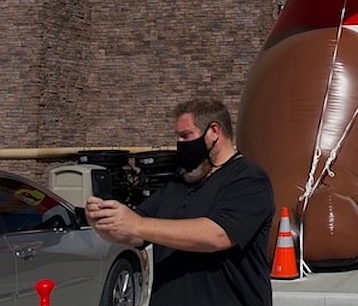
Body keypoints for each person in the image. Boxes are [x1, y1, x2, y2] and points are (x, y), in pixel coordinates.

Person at [85, 98, 275, 305]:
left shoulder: (248, 179)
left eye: (186, 136)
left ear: (214, 132)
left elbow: (217, 235)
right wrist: (105, 221)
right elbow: (137, 233)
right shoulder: (180, 182)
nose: (180, 144)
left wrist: (136, 225)